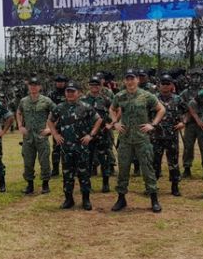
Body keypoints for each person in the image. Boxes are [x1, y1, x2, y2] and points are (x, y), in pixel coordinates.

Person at [109, 69, 166, 213]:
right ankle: (121, 199)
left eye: (132, 78)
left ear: (137, 80)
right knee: (123, 169)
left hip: (142, 139)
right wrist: (115, 122)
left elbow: (161, 109)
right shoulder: (120, 96)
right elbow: (112, 108)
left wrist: (152, 124)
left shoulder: (146, 96)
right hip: (126, 139)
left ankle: (154, 199)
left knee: (147, 169)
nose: (130, 81)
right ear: (124, 81)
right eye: (127, 79)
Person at [47, 82, 102, 210]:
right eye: (68, 91)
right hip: (66, 147)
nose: (70, 94)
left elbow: (98, 119)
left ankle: (86, 200)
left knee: (84, 174)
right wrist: (55, 134)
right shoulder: (59, 107)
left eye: (73, 91)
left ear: (79, 93)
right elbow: (50, 120)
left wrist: (91, 135)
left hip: (82, 147)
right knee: (67, 174)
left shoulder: (86, 106)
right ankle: (68, 199)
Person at [16, 77, 55, 195]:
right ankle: (30, 185)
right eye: (31, 85)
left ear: (40, 87)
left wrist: (50, 129)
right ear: (28, 87)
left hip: (42, 136)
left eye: (36, 85)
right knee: (28, 161)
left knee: (44, 161)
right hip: (28, 137)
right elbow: (18, 112)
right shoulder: (24, 101)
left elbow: (57, 113)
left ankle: (45, 184)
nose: (33, 87)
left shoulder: (46, 101)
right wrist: (20, 126)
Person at [152, 74, 187, 196]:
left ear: (172, 85)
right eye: (163, 84)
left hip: (172, 136)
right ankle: (152, 186)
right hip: (155, 136)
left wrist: (183, 122)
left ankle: (175, 186)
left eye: (168, 84)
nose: (165, 86)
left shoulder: (178, 99)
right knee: (154, 162)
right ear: (159, 85)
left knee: (173, 162)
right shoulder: (153, 99)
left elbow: (187, 111)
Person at [80, 76, 114, 192]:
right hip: (87, 135)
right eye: (92, 85)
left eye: (97, 85)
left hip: (102, 135)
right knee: (86, 160)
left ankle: (105, 183)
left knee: (104, 159)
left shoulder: (106, 99)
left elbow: (116, 110)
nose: (94, 87)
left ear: (100, 86)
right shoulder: (82, 100)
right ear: (89, 86)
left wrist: (112, 123)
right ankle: (87, 184)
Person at [48, 74, 68, 176]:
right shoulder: (52, 94)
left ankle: (70, 168)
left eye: (62, 82)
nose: (60, 83)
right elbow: (49, 109)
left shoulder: (69, 92)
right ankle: (55, 169)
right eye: (58, 82)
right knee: (56, 147)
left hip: (69, 123)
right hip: (56, 124)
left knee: (70, 147)